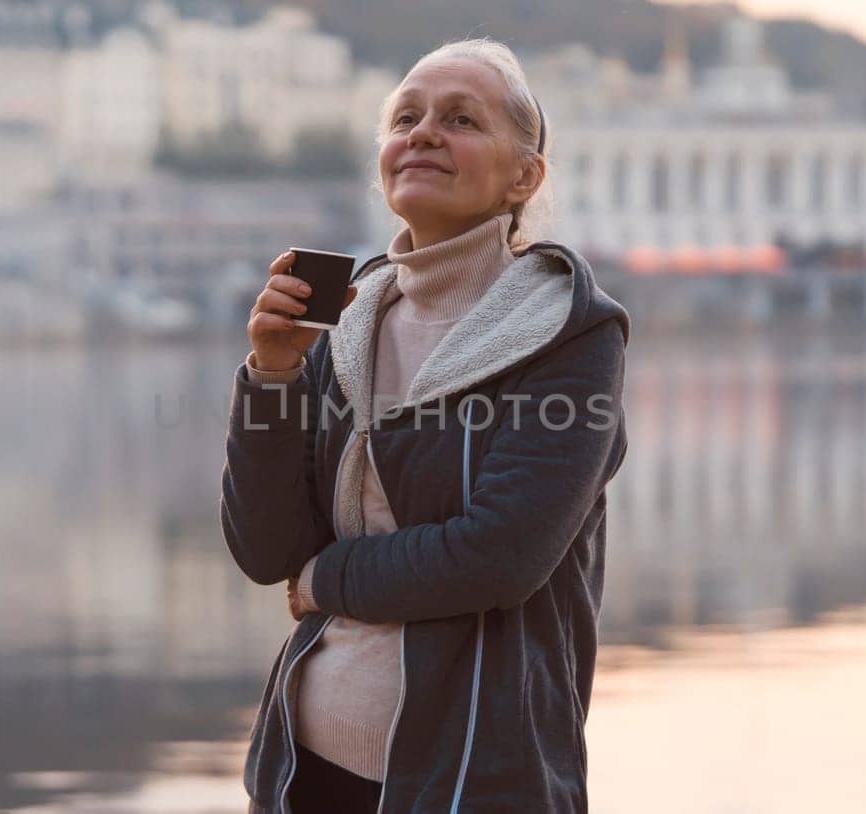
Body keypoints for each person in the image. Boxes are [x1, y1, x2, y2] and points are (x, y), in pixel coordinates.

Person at [220, 37, 630, 813]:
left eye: (461, 119)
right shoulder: (342, 320)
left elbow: (499, 555)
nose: (424, 132)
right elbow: (266, 549)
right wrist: (272, 372)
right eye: (405, 117)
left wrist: (324, 580)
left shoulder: (571, 333)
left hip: (478, 776)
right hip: (300, 772)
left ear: (524, 176)